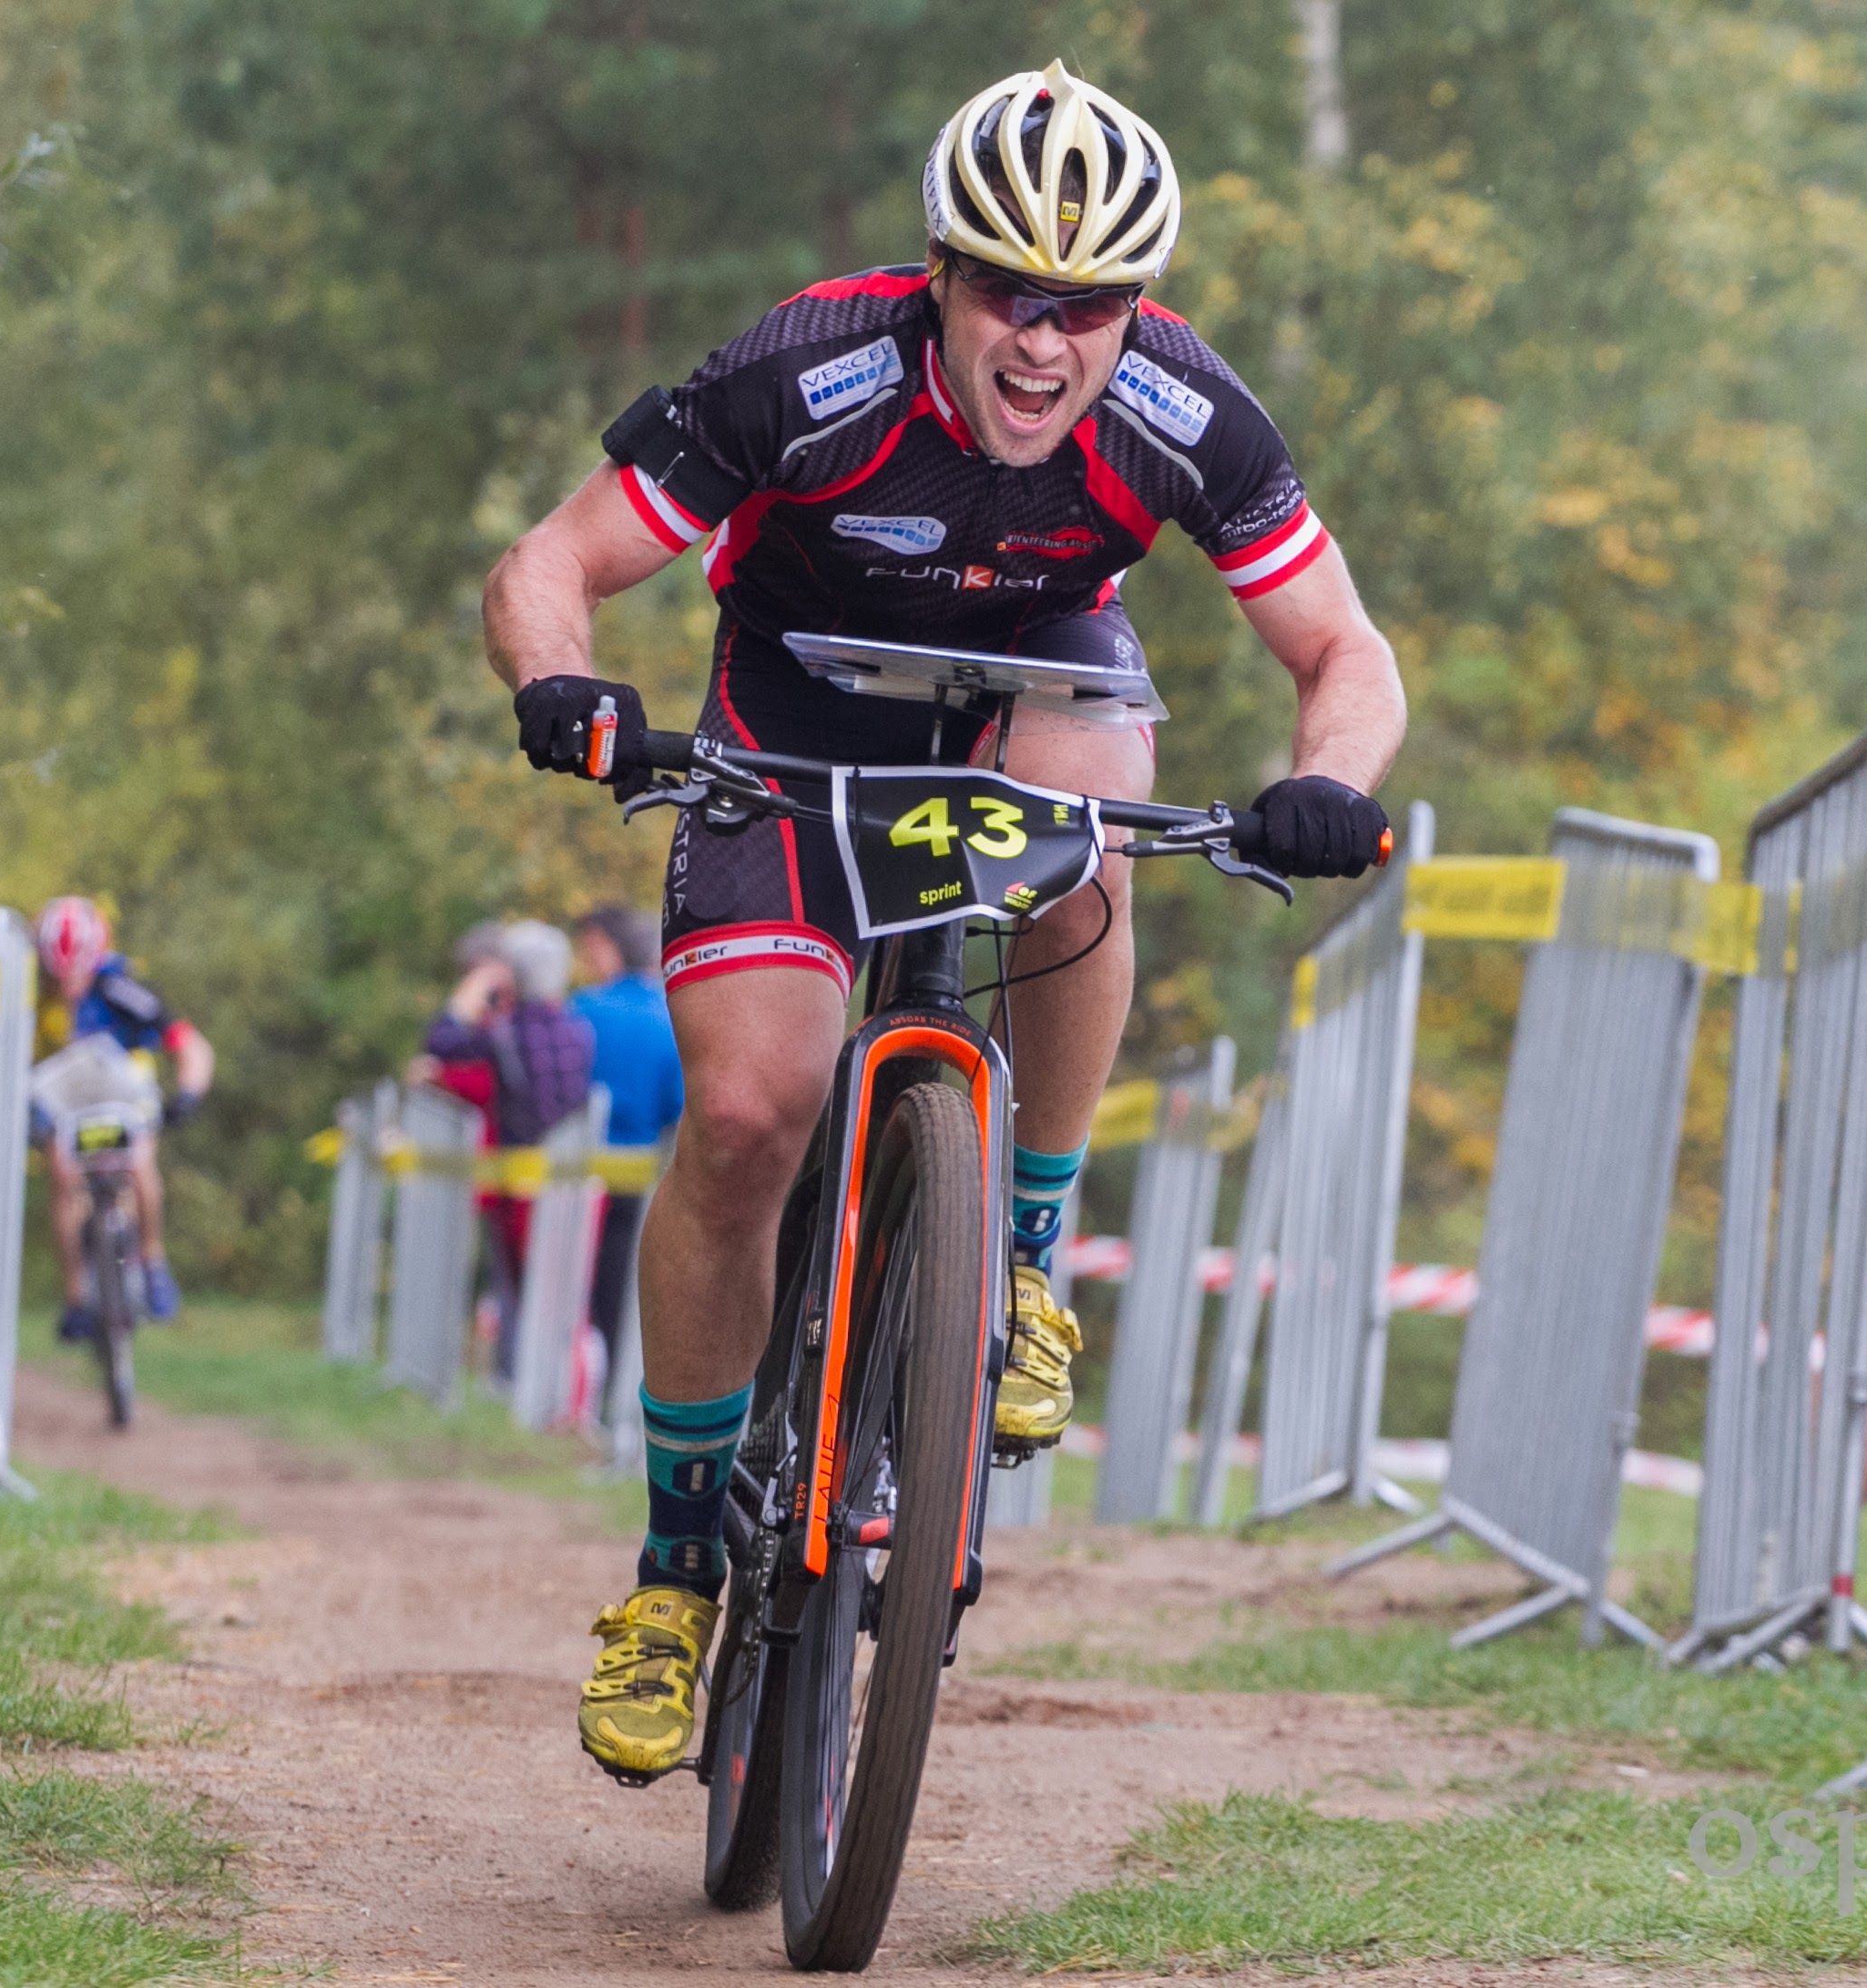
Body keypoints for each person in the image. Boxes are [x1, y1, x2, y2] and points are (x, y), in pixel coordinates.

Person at [484, 60, 1405, 1781]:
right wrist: (565, 686)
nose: (1046, 345)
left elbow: (1344, 649)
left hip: (1034, 684)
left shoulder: (1184, 410)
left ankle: (1028, 1258)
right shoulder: (802, 373)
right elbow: (552, 561)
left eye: (1092, 307)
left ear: (1136, 309)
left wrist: (1329, 778)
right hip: (795, 704)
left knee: (1086, 826)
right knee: (752, 1112)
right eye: (1008, 294)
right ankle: (679, 1570)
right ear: (940, 277)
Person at [32, 896, 214, 1341]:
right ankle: (76, 1297)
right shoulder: (33, 999)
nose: (69, 984)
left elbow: (190, 1045)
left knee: (138, 1165)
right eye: (60, 975)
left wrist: (187, 1095)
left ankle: (152, 1263)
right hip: (68, 1110)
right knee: (62, 1175)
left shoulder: (121, 991)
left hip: (127, 1103)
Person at [414, 918, 594, 1353]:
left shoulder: (505, 1033)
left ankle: (524, 1381)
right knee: (566, 1294)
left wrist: (474, 989)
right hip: (574, 1177)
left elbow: (441, 1041)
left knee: (522, 1291)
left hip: (517, 1183)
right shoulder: (580, 1029)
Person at [569, 903, 683, 1371]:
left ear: (605, 947)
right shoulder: (674, 1018)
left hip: (575, 1173)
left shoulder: (581, 1011)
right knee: (623, 1288)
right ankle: (614, 1381)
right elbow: (678, 1107)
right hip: (643, 1178)